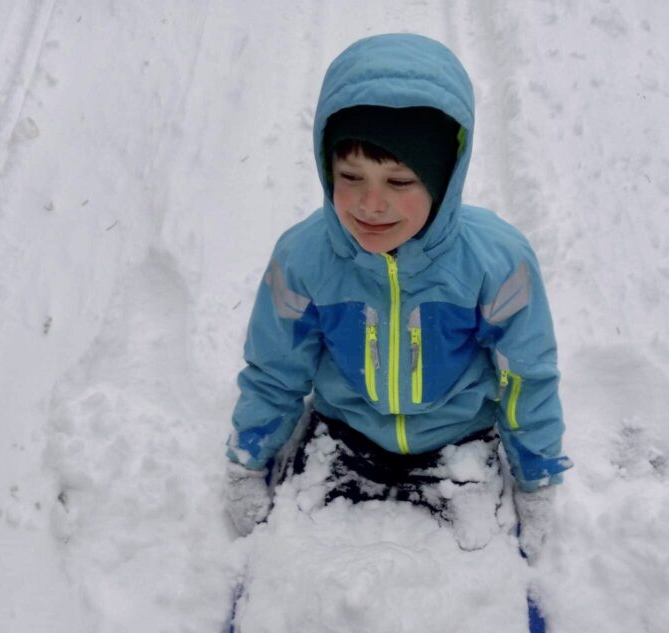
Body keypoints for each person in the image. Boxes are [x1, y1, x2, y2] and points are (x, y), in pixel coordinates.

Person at [225, 33, 571, 559]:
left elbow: (525, 372)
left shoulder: (495, 262)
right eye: (350, 176)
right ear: (325, 168)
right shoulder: (304, 259)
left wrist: (537, 474)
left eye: (400, 180)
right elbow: (275, 367)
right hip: (345, 430)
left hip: (460, 437)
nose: (371, 203)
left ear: (443, 180)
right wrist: (249, 458)